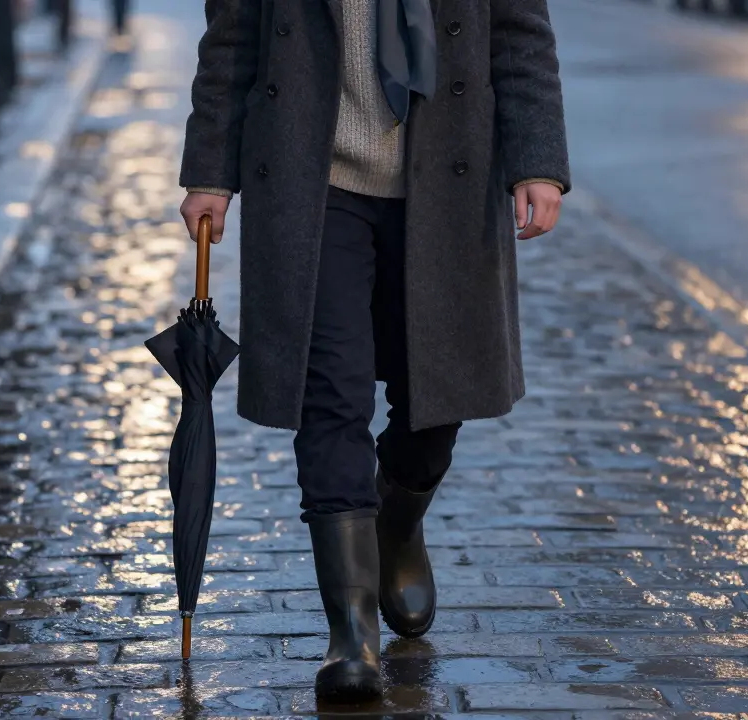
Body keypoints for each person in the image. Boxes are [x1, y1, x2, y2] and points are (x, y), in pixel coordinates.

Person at [178, 0, 569, 701]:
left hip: (447, 175)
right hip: (313, 179)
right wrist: (210, 168)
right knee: (330, 393)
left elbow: (519, 33)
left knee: (435, 401)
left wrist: (537, 160)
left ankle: (396, 520)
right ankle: (350, 635)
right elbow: (232, 36)